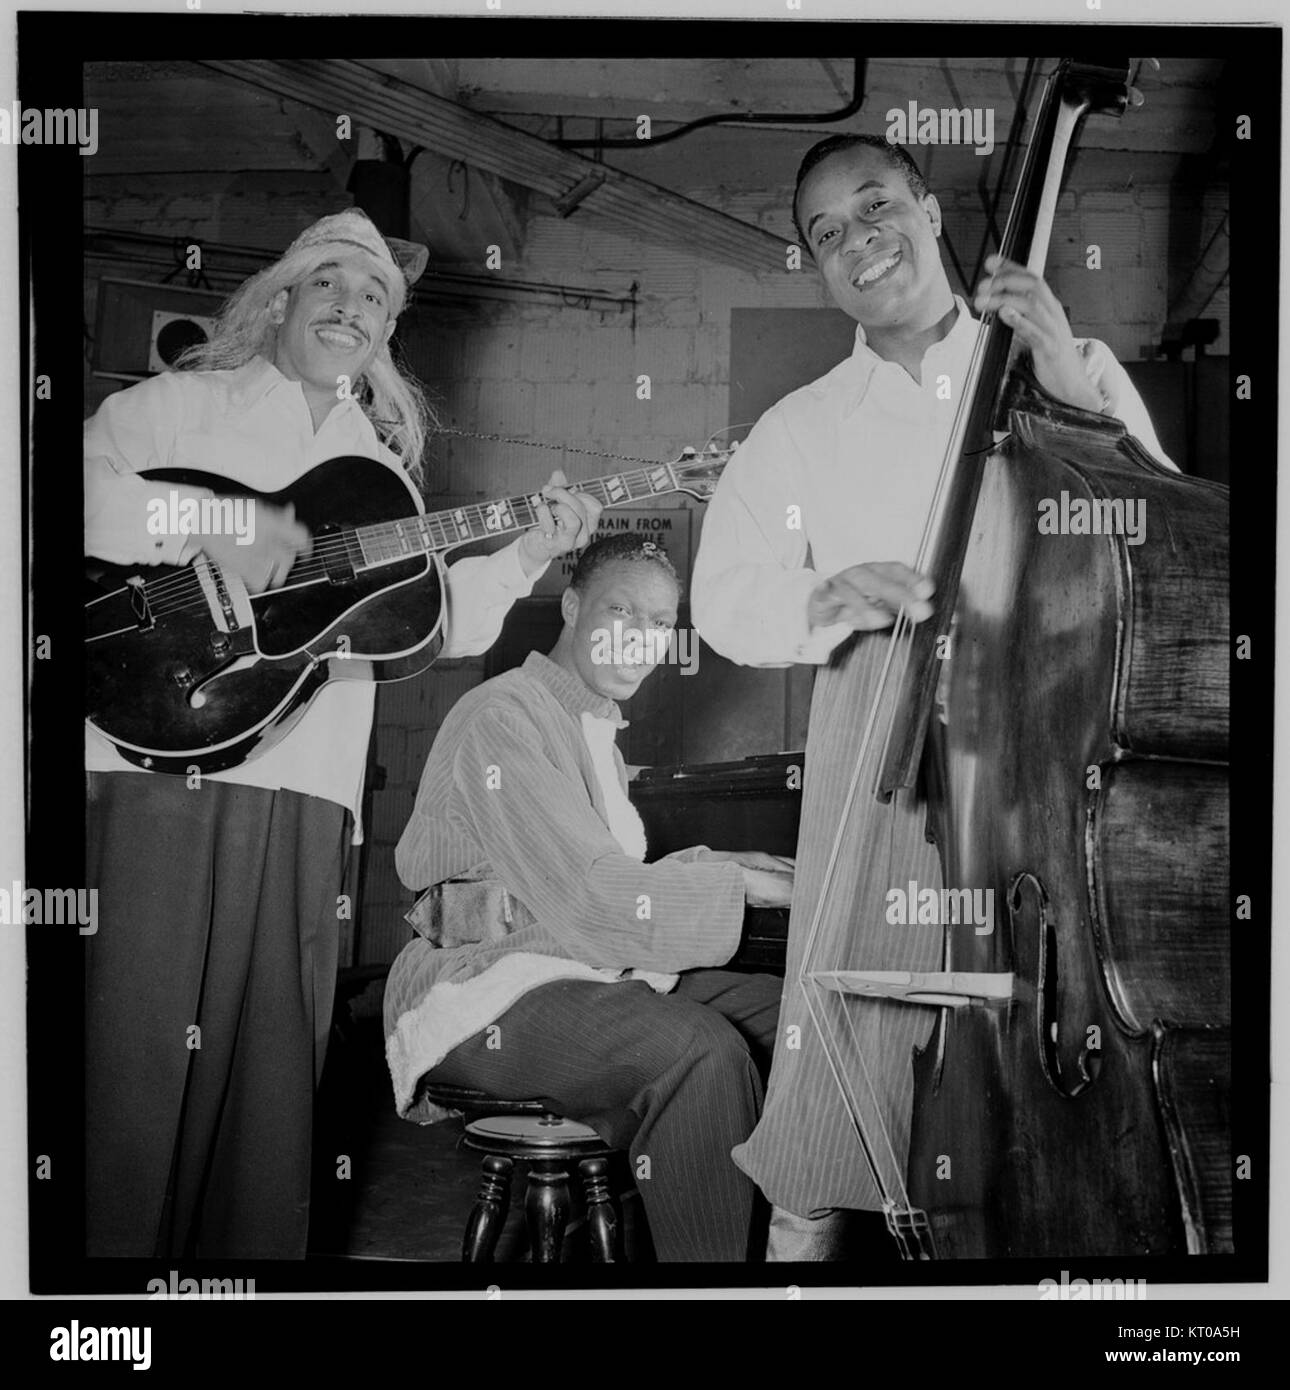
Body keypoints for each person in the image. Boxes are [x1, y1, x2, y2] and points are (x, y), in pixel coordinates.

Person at [690, 134, 1176, 1259]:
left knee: (1041, 1089)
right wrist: (829, 596)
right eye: (827, 234)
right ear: (815, 269)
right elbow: (723, 599)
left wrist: (1068, 385)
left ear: (929, 208)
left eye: (876, 209)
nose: (860, 242)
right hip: (885, 759)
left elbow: (1162, 534)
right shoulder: (800, 429)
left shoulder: (1066, 363)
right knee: (833, 1080)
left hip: (1050, 751)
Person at [83, 207, 601, 1259]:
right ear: (280, 302)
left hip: (311, 799)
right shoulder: (183, 404)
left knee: (270, 1100)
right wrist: (235, 528)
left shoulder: (381, 474)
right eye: (328, 284)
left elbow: (428, 626)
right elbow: (67, 494)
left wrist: (529, 558)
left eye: (374, 299)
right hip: (160, 770)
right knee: (130, 1075)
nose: (351, 306)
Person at [385, 533, 794, 1261]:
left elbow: (598, 864)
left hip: (575, 970)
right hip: (479, 992)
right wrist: (735, 885)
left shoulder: (593, 730)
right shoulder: (503, 715)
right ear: (572, 606)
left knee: (800, 1020)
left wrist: (731, 860)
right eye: (621, 610)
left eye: (660, 623)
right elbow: (590, 899)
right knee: (698, 1054)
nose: (641, 638)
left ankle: (803, 1248)